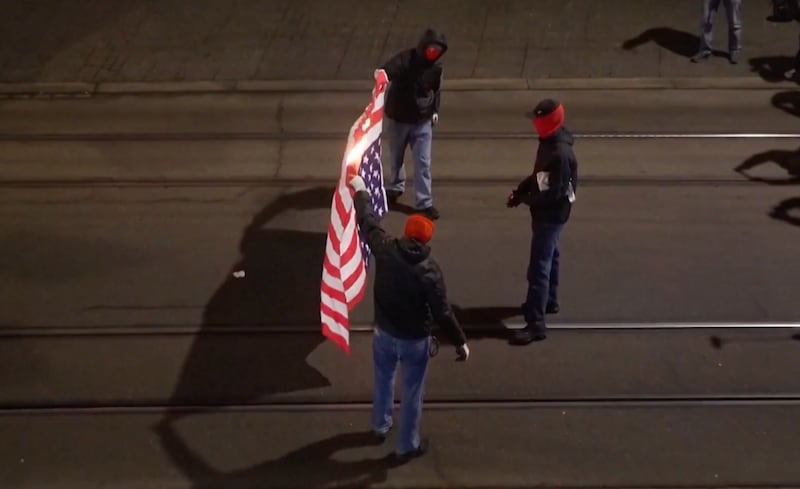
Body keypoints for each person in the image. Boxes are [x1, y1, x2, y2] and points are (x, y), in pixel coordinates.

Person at [348, 174, 469, 461]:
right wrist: (460, 341)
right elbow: (442, 312)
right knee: (413, 392)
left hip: (384, 334)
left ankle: (380, 425)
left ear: (405, 233)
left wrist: (361, 189)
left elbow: (367, 222)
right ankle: (407, 445)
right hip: (415, 341)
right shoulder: (430, 270)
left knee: (382, 379)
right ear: (427, 240)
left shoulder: (386, 248)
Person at [506, 99, 578, 345]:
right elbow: (541, 177)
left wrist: (525, 198)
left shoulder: (560, 154)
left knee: (539, 268)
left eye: (537, 120)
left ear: (547, 123)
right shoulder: (550, 144)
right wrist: (523, 190)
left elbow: (552, 193)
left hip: (550, 216)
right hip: (549, 214)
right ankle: (550, 301)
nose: (534, 124)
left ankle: (536, 324)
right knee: (552, 256)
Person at [380, 28, 448, 220]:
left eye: (437, 50)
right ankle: (395, 187)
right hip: (399, 119)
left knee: (423, 163)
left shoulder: (436, 68)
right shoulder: (406, 59)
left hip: (421, 121)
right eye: (431, 49)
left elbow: (436, 91)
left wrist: (434, 110)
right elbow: (390, 68)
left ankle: (424, 202)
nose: (433, 53)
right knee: (396, 157)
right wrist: (382, 75)